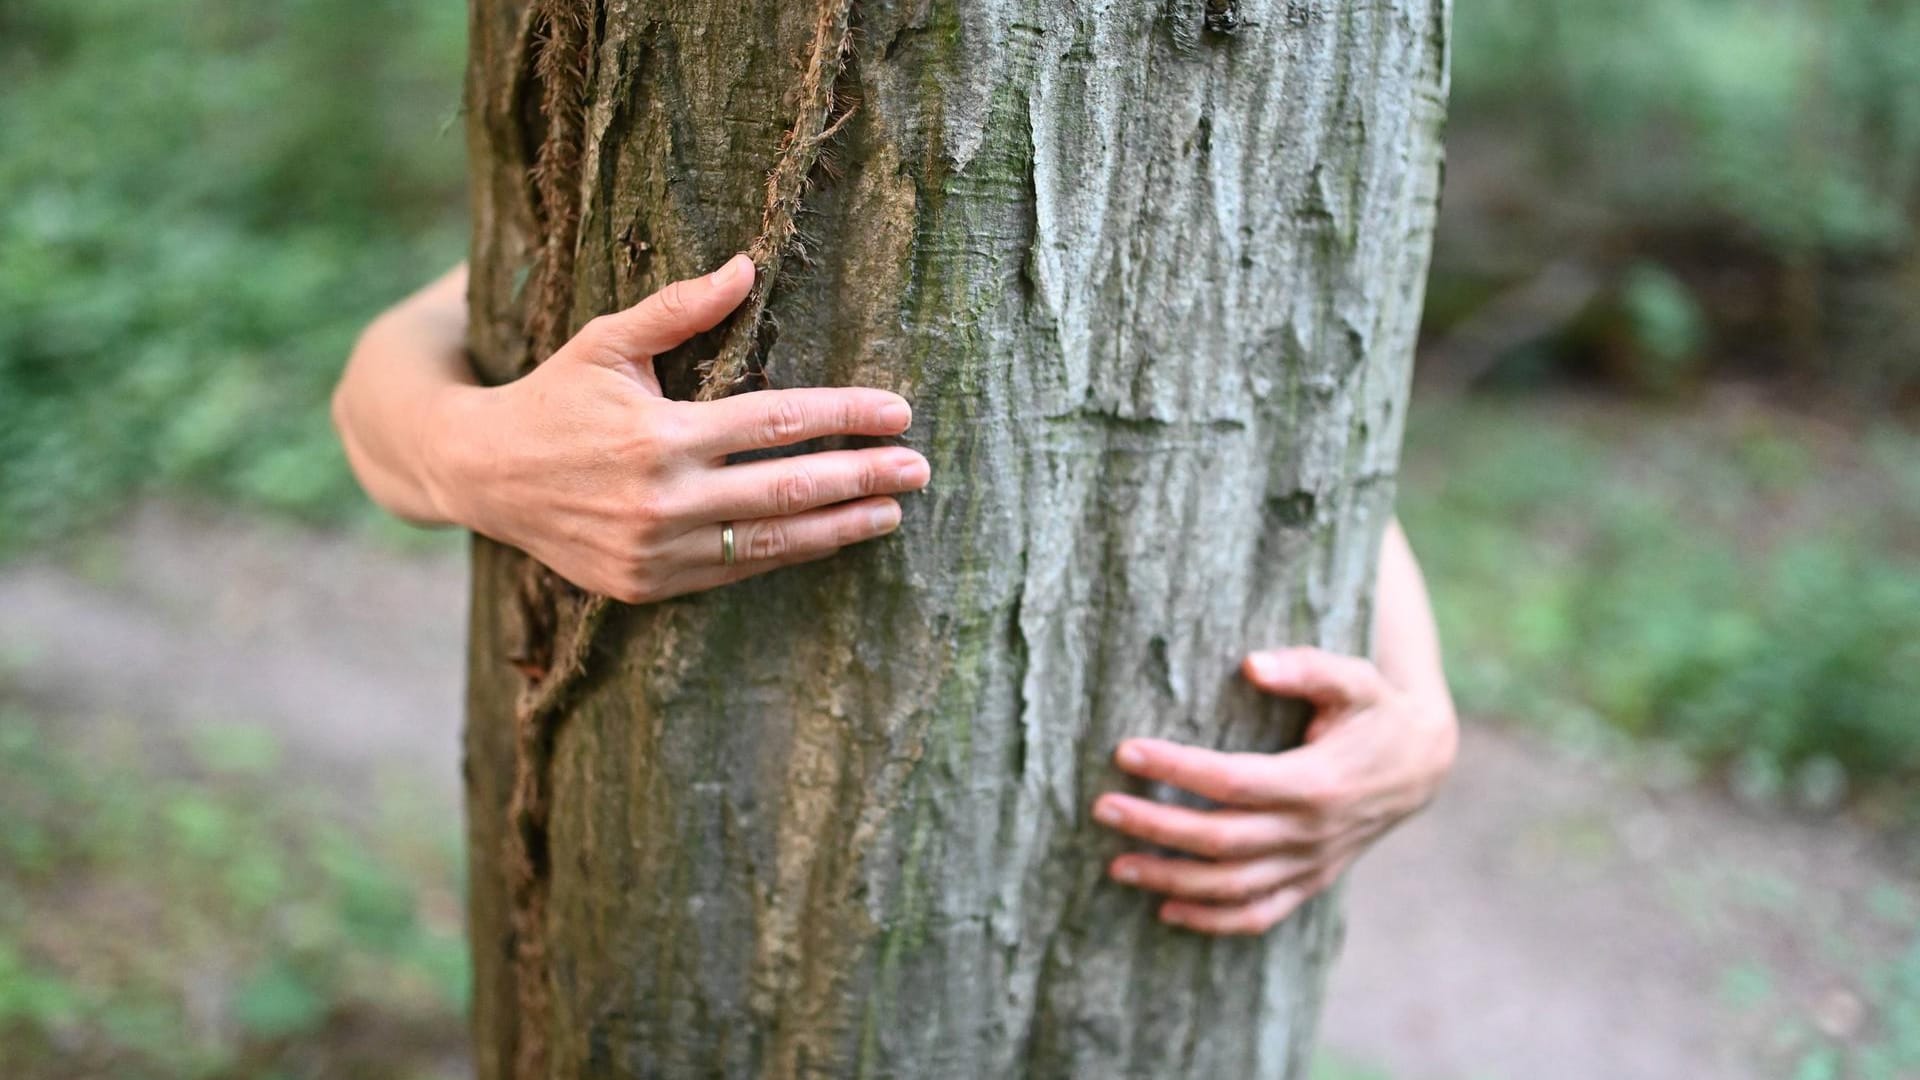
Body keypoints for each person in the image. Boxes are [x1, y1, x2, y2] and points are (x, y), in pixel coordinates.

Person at [332, 254, 1459, 938]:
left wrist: (1420, 712)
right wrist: (473, 454)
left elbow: (1301, 435)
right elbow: (405, 347)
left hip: (1154, 903)